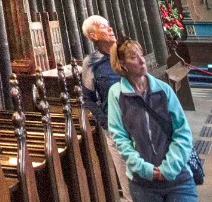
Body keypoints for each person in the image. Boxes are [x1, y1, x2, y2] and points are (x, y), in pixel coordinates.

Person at [106, 39, 196, 202]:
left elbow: (182, 131)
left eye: (141, 54)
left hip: (177, 177)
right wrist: (144, 169)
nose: (142, 60)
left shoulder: (163, 89)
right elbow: (120, 137)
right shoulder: (116, 94)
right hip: (143, 183)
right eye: (134, 57)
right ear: (122, 64)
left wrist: (169, 168)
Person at [81, 15, 128, 187]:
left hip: (142, 126)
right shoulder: (91, 62)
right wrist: (107, 124)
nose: (110, 29)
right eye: (103, 26)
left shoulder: (127, 54)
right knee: (129, 184)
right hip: (117, 129)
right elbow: (88, 98)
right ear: (93, 36)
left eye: (109, 25)